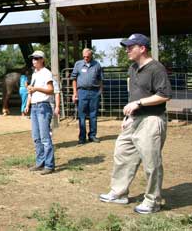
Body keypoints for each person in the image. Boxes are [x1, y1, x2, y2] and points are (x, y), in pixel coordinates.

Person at [99, 33, 172, 214]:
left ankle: (152, 201)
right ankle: (119, 192)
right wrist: (128, 117)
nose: (127, 50)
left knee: (151, 162)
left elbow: (164, 95)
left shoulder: (156, 68)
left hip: (152, 119)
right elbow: (133, 95)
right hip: (134, 120)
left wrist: (139, 104)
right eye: (127, 47)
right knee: (122, 153)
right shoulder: (132, 68)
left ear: (142, 48)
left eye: (131, 47)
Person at [24, 50, 54, 175]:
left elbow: (50, 90)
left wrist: (36, 88)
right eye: (33, 58)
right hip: (35, 107)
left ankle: (49, 165)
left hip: (43, 106)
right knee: (36, 138)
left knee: (45, 138)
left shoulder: (47, 73)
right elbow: (31, 90)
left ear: (42, 59)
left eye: (36, 58)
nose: (34, 60)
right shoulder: (35, 74)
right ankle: (40, 162)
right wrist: (27, 104)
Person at [71, 48, 103, 144]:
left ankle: (92, 135)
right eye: (84, 56)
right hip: (82, 92)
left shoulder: (97, 65)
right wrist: (75, 93)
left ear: (91, 55)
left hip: (94, 92)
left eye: (87, 57)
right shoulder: (78, 64)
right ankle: (82, 137)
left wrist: (100, 90)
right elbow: (74, 79)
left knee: (93, 115)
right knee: (82, 115)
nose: (86, 58)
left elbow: (100, 78)